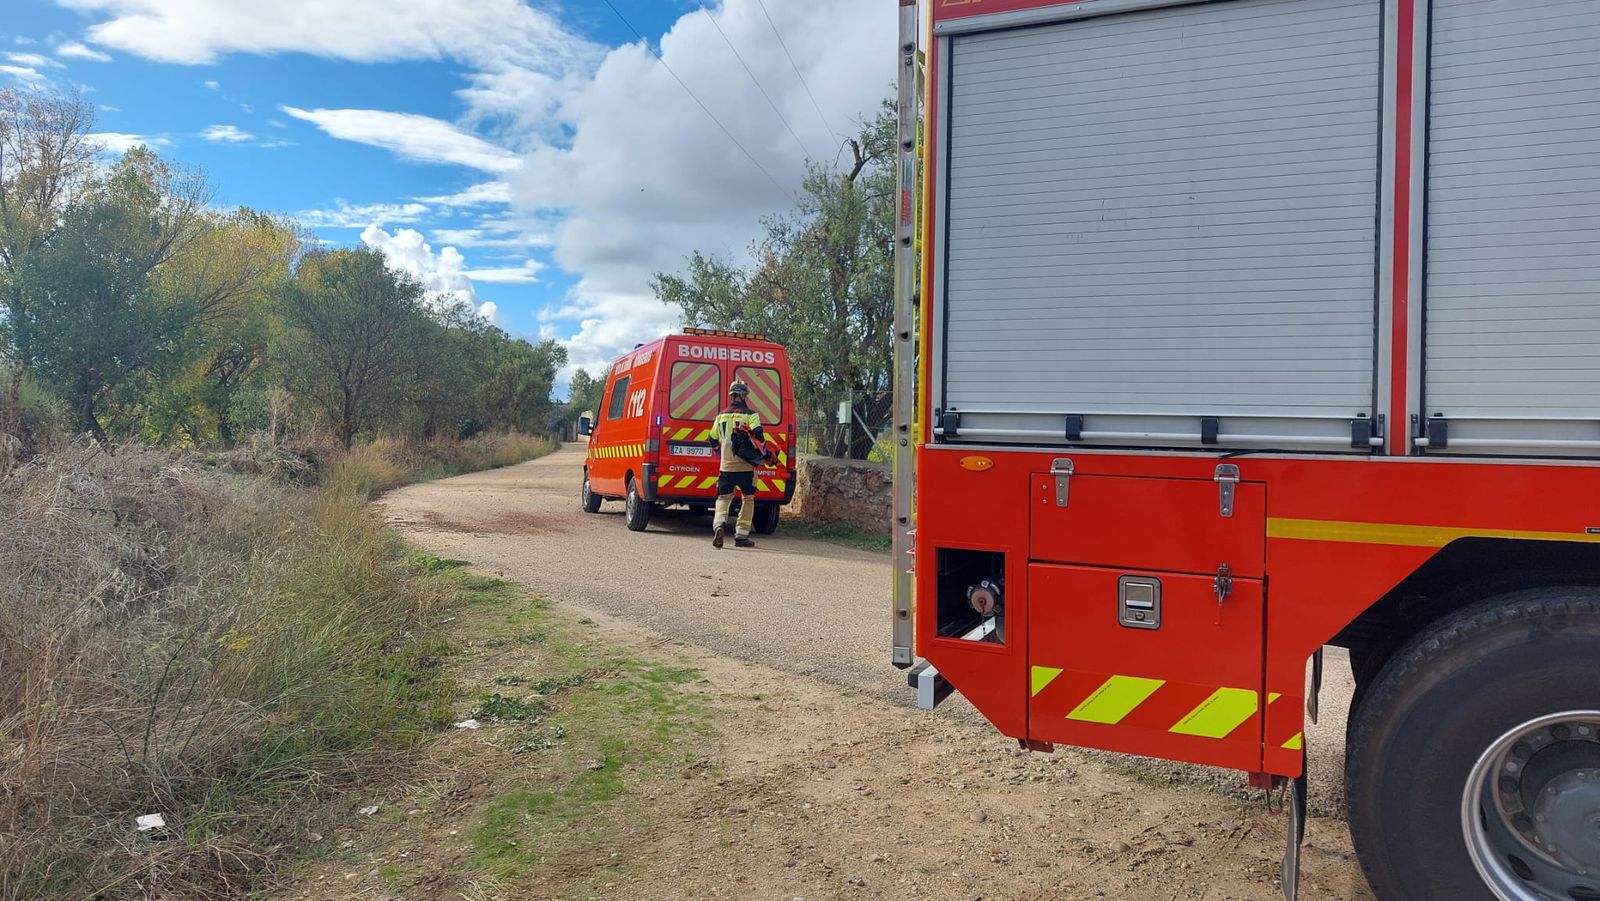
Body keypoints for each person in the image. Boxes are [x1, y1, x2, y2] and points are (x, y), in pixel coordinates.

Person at [709, 380, 772, 548]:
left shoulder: (720, 415)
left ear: (731, 396)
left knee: (723, 498)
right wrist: (763, 452)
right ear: (744, 396)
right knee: (748, 498)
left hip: (726, 466)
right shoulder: (751, 415)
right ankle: (741, 535)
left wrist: (718, 451)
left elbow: (712, 439)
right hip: (746, 466)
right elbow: (758, 433)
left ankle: (719, 524)